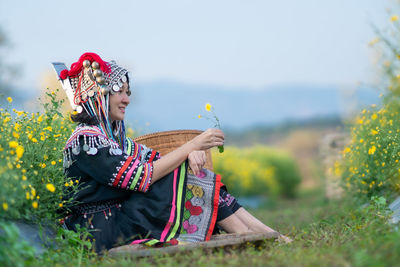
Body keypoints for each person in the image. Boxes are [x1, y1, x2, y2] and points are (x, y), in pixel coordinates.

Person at [55, 52, 289, 253]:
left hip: (120, 218)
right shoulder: (86, 141)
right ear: (98, 94)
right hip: (98, 230)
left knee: (193, 174)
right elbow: (141, 177)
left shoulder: (115, 139)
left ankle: (269, 235)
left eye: (128, 92)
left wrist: (189, 156)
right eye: (120, 92)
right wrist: (193, 145)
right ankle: (250, 238)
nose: (127, 99)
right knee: (186, 178)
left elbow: (158, 161)